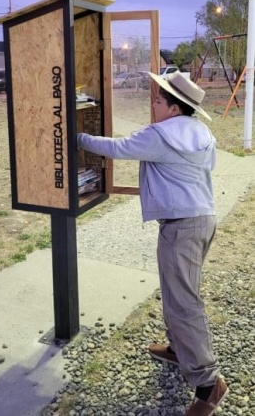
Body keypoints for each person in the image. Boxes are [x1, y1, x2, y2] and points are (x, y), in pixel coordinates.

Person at [77, 71, 227, 416]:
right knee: (181, 294)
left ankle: (208, 384)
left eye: (159, 101)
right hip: (203, 219)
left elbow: (118, 148)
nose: (154, 105)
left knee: (184, 302)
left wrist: (78, 137)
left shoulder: (160, 134)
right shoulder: (201, 132)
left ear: (175, 109)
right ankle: (179, 351)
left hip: (181, 227)